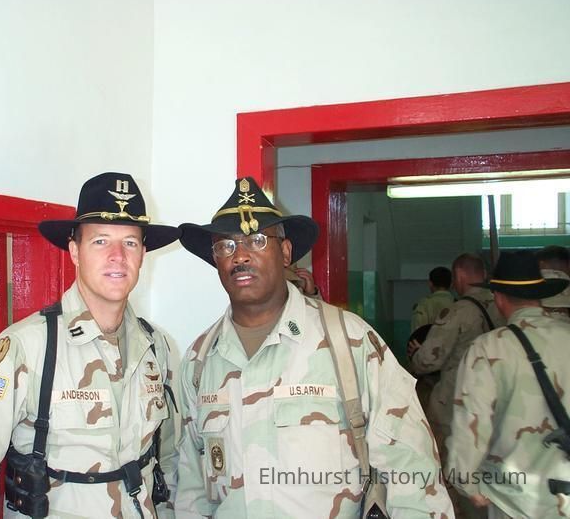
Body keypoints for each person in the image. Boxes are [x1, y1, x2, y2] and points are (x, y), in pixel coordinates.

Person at [173, 177, 453, 517]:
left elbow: (413, 474)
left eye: (257, 240)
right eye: (226, 246)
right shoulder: (200, 360)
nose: (240, 255)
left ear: (285, 252)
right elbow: (191, 487)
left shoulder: (349, 342)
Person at [0, 172, 180, 518]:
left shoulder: (156, 347)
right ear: (75, 251)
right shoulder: (25, 348)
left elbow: (167, 461)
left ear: (143, 254)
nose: (118, 256)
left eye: (130, 243)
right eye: (101, 241)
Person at [447, 250, 570, 518]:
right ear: (540, 296)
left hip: (515, 501)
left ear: (499, 298)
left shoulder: (488, 348)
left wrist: (466, 482)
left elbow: (472, 423)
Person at [408, 254, 504, 453]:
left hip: (456, 403)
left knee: (447, 458)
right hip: (497, 399)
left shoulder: (458, 311)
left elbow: (428, 360)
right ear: (484, 274)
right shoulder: (502, 305)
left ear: (458, 276)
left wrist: (416, 355)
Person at [411, 266, 454, 333]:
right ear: (451, 284)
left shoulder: (423, 305)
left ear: (430, 283)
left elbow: (417, 334)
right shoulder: (459, 304)